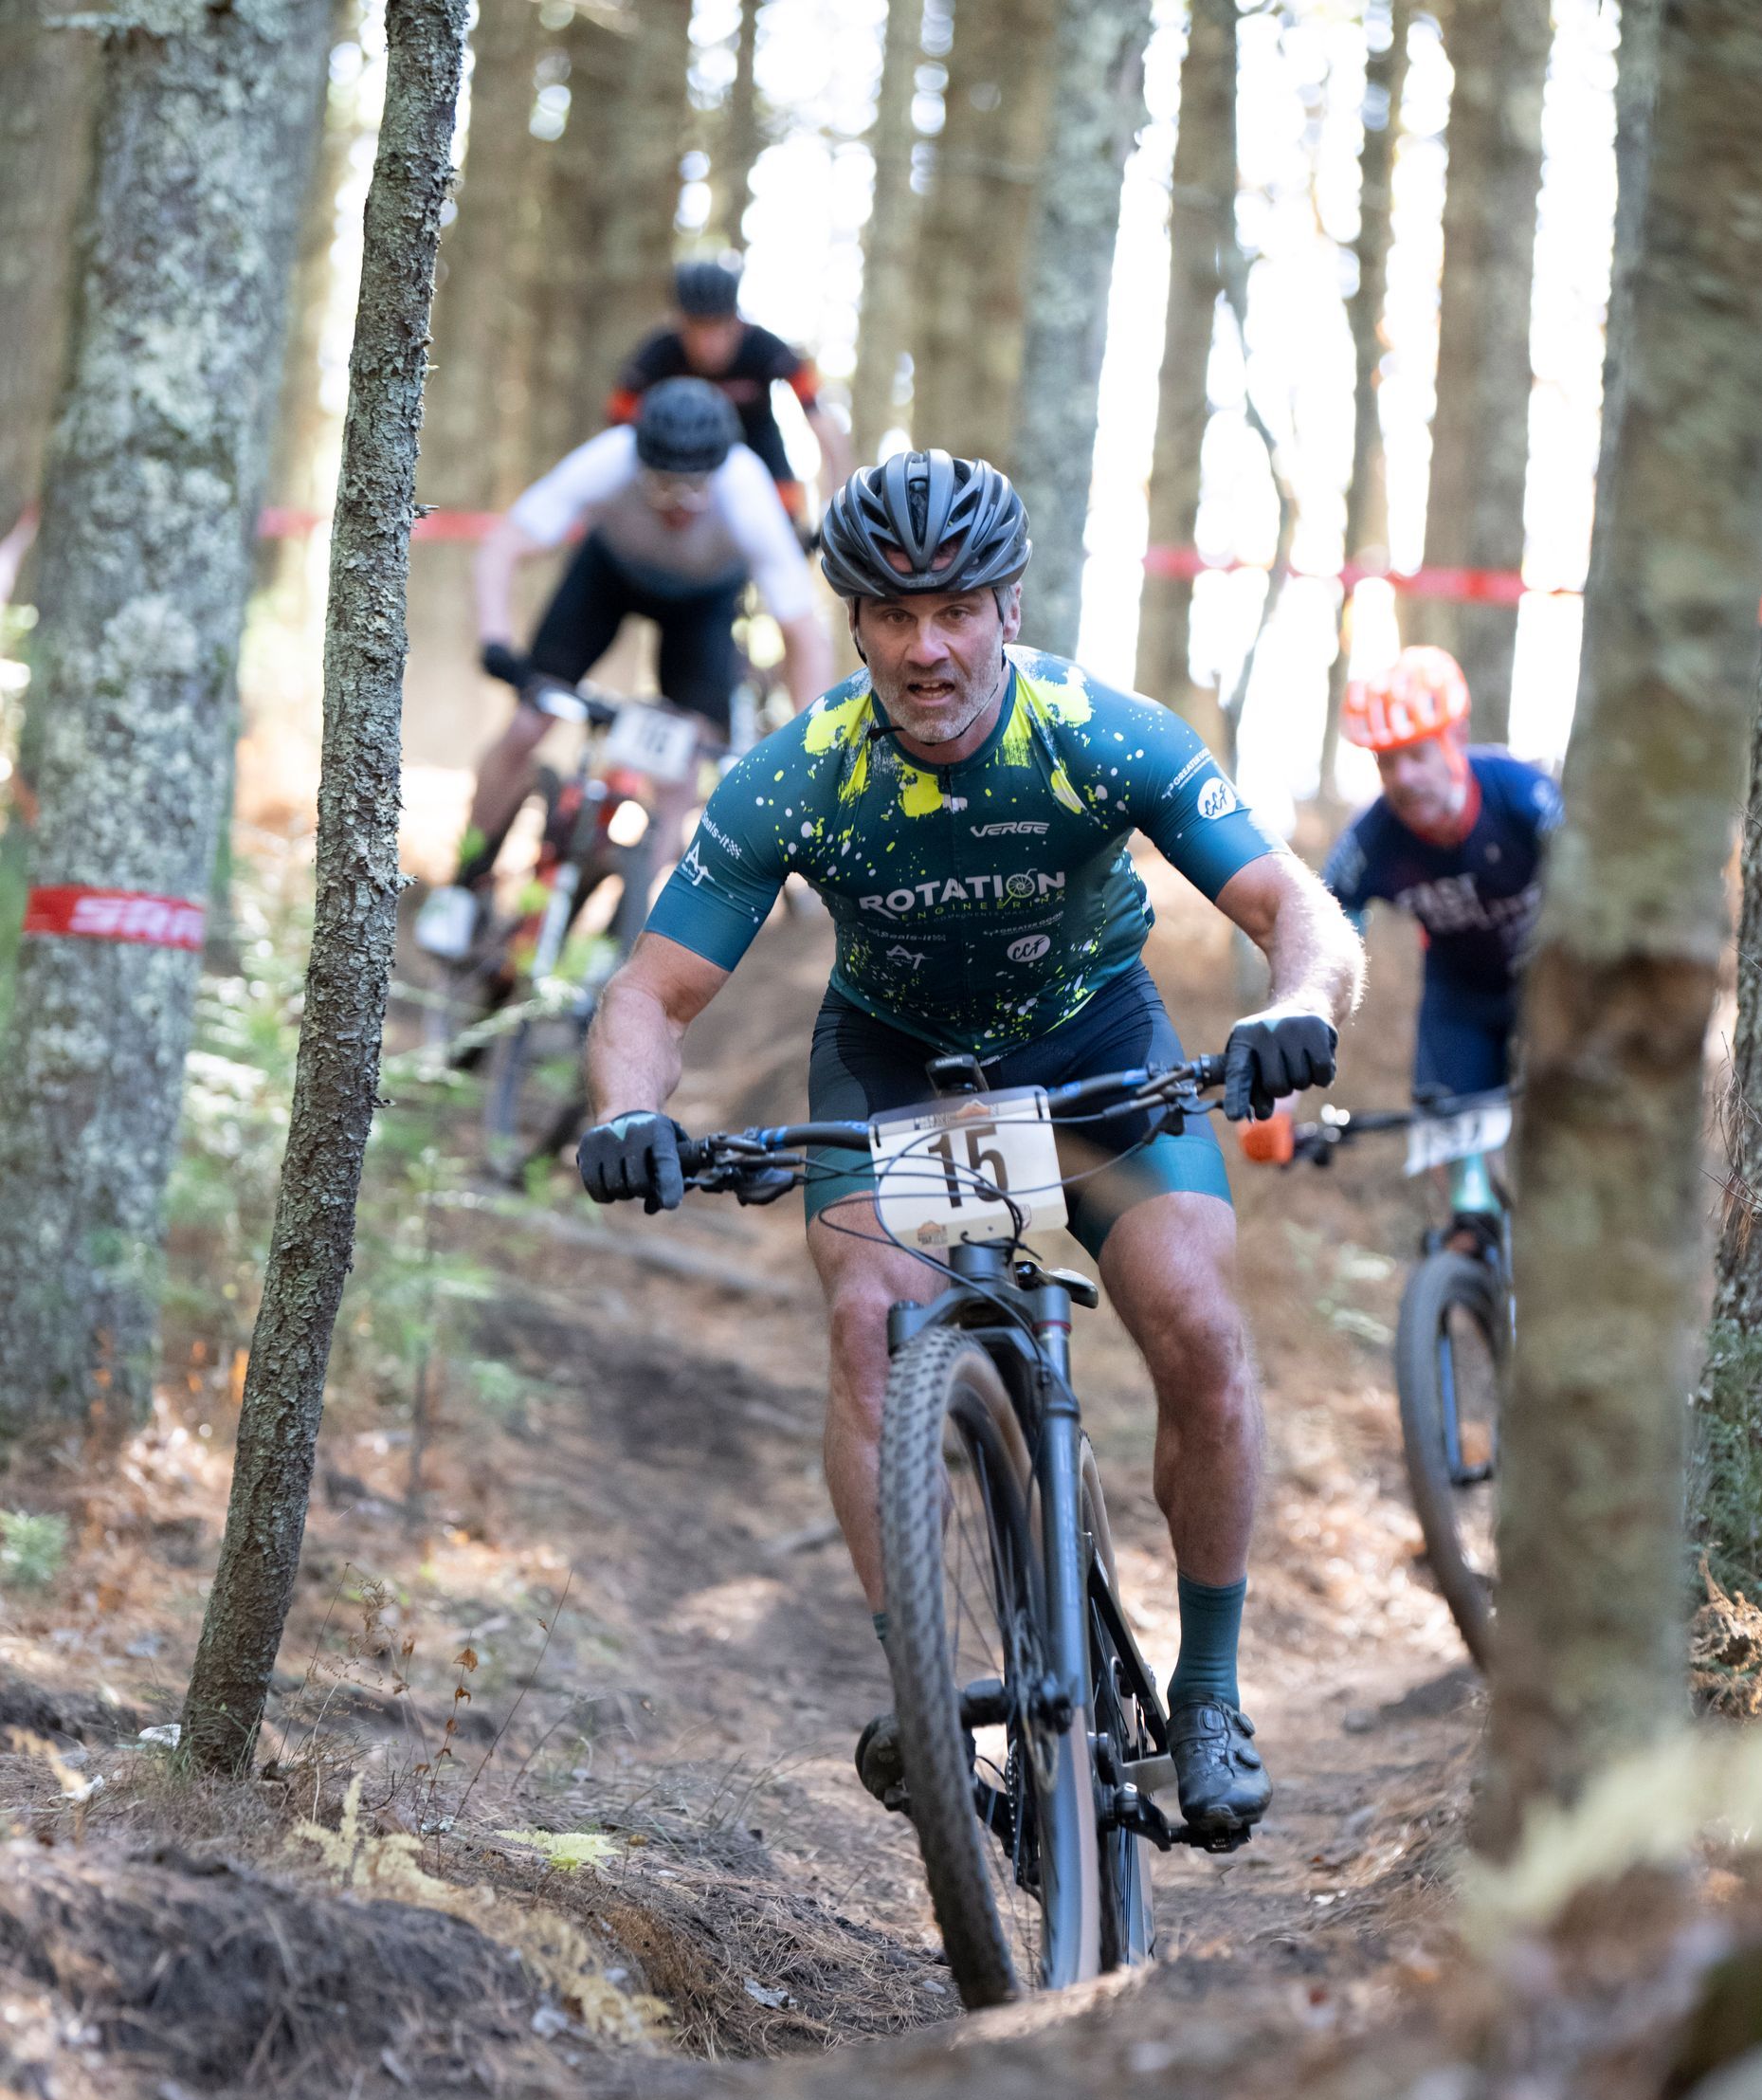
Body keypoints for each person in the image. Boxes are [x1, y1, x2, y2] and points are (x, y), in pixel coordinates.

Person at [571, 450, 1363, 1847]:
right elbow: (652, 994)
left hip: (1095, 1050)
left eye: (954, 611)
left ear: (1005, 606)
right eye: (891, 615)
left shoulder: (1096, 733)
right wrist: (628, 1112)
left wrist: (1296, 1006)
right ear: (856, 623)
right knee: (874, 1323)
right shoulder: (800, 775)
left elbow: (1293, 905)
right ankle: (925, 1694)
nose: (926, 648)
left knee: (1194, 1319)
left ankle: (1213, 1693)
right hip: (897, 1071)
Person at [439, 376, 833, 929]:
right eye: (661, 486)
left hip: (702, 603)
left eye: (694, 489)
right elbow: (503, 547)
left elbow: (802, 631)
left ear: (718, 473)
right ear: (637, 463)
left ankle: (631, 930)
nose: (677, 506)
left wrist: (815, 736)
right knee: (530, 722)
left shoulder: (746, 491)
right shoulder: (609, 460)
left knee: (682, 766)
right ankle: (464, 880)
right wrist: (496, 642)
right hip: (608, 578)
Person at [1326, 646, 1560, 1101]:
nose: (1403, 778)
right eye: (1386, 762)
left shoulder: (1518, 792)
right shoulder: (1371, 839)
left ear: (1456, 738)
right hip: (1459, 999)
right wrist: (1281, 1091)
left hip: (1547, 981)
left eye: (1417, 754)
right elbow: (1321, 950)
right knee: (1447, 1131)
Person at [609, 257, 852, 520]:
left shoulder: (766, 349)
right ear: (680, 324)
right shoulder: (657, 354)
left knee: (785, 520)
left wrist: (840, 501)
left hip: (760, 451)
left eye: (717, 327)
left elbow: (821, 420)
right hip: (684, 465)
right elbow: (617, 431)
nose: (707, 343)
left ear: (737, 322)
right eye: (696, 328)